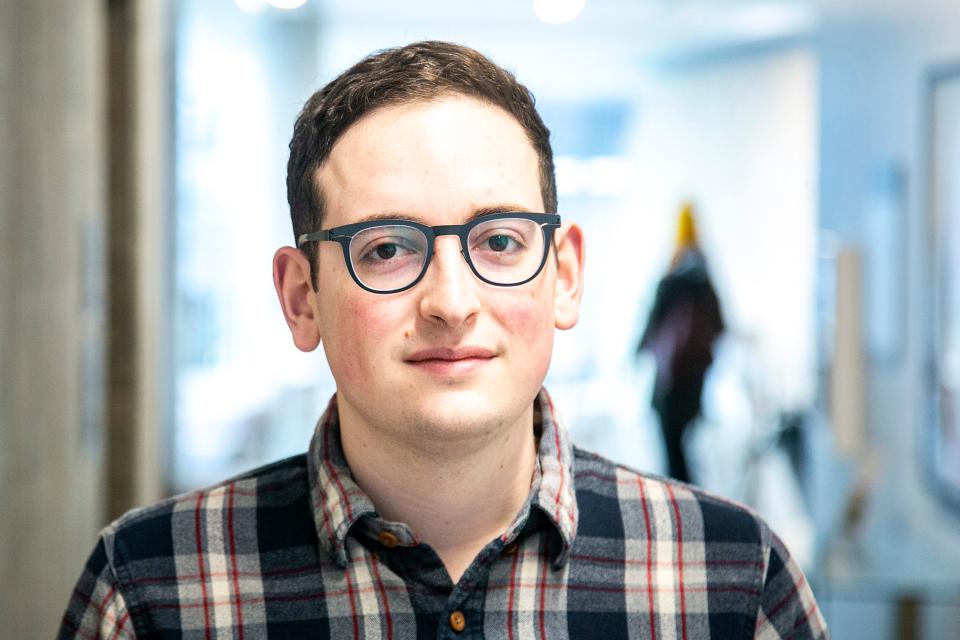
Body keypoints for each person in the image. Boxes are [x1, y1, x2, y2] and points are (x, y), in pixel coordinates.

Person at [59, 41, 828, 639]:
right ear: (302, 299)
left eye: (498, 241)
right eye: (387, 249)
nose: (451, 303)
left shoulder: (731, 579)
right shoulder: (153, 589)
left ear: (562, 277)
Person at [638, 204, 725, 483]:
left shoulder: (671, 278)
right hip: (694, 381)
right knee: (685, 450)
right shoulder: (706, 281)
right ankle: (691, 506)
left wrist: (636, 353)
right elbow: (722, 326)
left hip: (670, 382)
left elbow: (652, 323)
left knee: (672, 453)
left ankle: (682, 510)